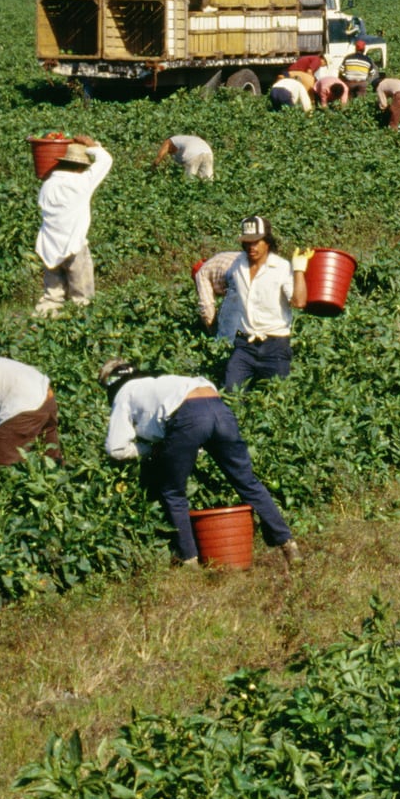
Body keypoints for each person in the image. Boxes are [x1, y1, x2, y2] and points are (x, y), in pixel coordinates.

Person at [100, 358, 296, 566]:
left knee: (173, 492)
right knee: (247, 481)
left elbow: (116, 448)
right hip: (218, 407)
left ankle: (189, 559)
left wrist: (149, 450)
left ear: (112, 384)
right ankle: (289, 545)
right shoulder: (159, 382)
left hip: (189, 415)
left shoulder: (123, 394)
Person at [219, 216, 311, 391]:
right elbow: (223, 284)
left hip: (275, 345)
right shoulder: (238, 264)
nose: (251, 247)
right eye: (247, 242)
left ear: (267, 241)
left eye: (256, 242)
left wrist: (299, 270)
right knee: (232, 392)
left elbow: (299, 302)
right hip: (245, 343)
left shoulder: (281, 267)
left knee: (277, 395)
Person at [33, 137, 113, 316]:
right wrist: (93, 146)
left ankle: (41, 324)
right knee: (82, 298)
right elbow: (106, 160)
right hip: (74, 245)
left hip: (49, 246)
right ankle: (81, 326)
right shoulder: (81, 182)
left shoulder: (48, 184)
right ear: (80, 167)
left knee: (52, 297)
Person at [193, 249, 243, 337]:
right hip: (255, 264)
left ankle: (223, 343)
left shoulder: (200, 273)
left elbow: (207, 306)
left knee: (225, 329)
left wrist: (212, 330)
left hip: (236, 274)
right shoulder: (217, 259)